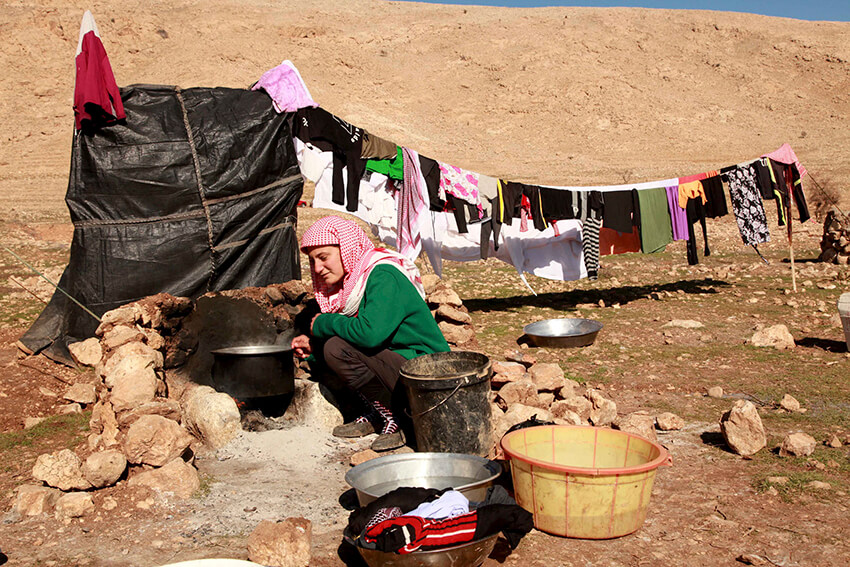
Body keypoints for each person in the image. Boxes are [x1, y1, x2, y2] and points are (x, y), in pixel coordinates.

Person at [292, 216, 450, 451]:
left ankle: (401, 419)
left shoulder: (382, 275)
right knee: (332, 346)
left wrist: (322, 323)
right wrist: (315, 348)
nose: (317, 269)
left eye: (324, 258)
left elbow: (369, 335)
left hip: (429, 371)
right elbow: (356, 338)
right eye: (312, 261)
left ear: (346, 249)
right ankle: (380, 413)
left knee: (335, 347)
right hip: (402, 363)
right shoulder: (352, 285)